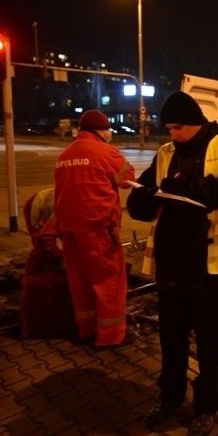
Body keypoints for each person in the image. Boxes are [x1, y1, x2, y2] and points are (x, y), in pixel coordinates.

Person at [127, 91, 218, 436]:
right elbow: (150, 190)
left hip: (212, 270)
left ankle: (206, 407)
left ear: (195, 121)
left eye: (178, 127)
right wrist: (140, 197)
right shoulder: (167, 152)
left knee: (210, 346)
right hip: (172, 268)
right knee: (171, 341)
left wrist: (190, 188)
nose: (173, 135)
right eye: (168, 128)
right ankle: (169, 397)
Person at [53, 110, 135, 349]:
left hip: (68, 229)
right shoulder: (105, 152)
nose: (110, 134)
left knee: (79, 281)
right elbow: (127, 178)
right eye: (108, 130)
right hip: (98, 229)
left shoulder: (64, 155)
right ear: (101, 131)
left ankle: (87, 329)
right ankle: (111, 336)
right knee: (108, 282)